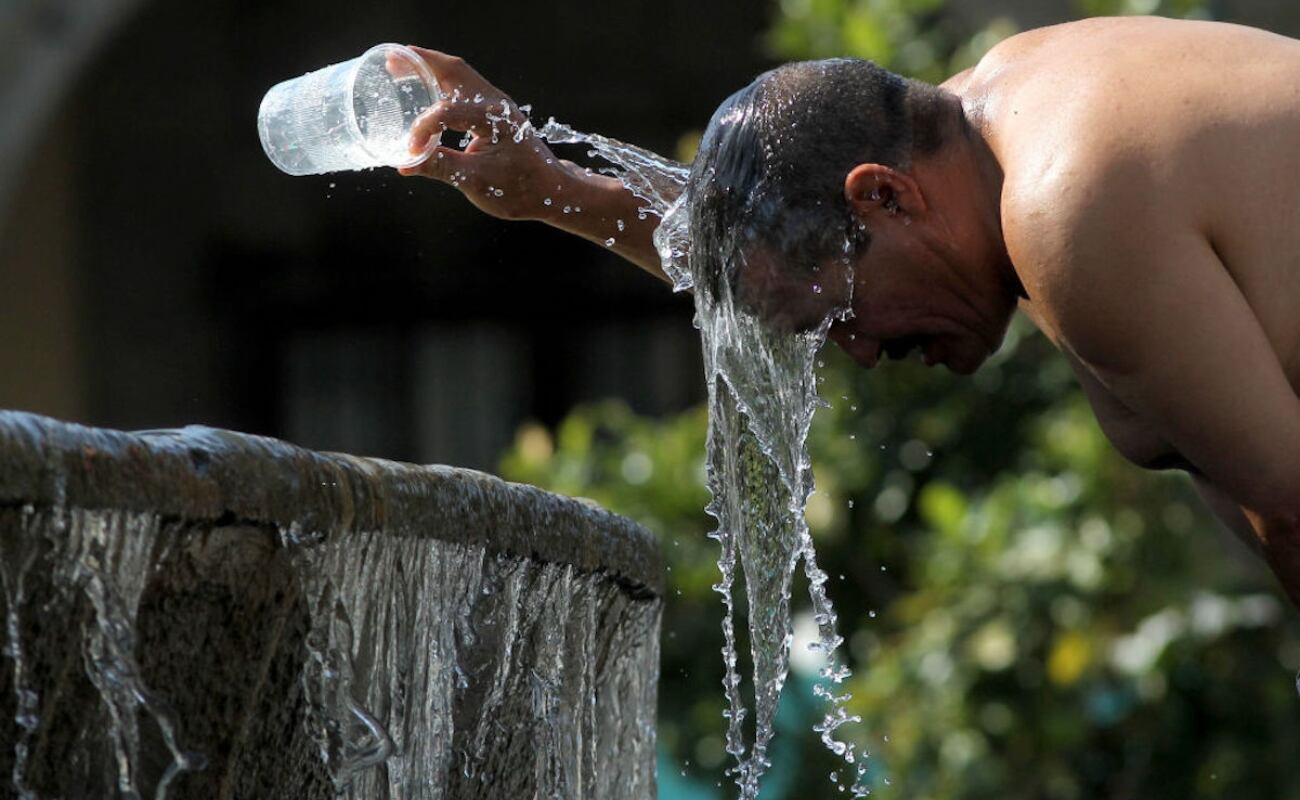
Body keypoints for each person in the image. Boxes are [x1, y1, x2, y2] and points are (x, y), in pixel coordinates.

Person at [394, 16, 1300, 608]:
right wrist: (549, 187)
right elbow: (782, 247)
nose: (861, 352)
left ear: (887, 199)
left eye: (841, 318)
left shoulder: (1067, 210)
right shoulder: (997, 113)